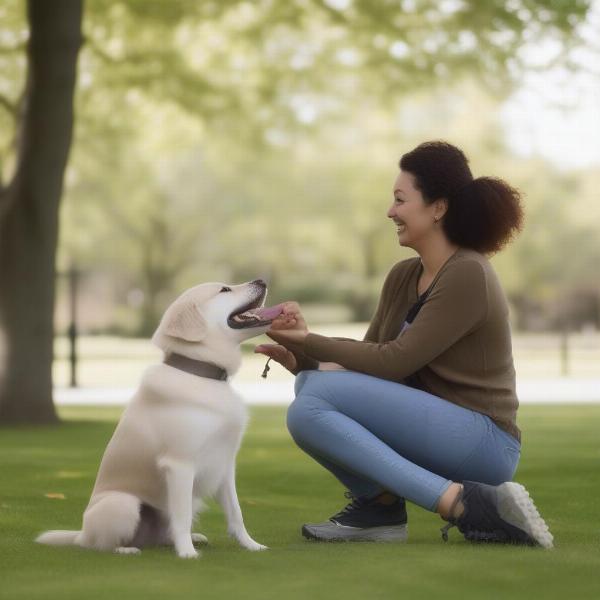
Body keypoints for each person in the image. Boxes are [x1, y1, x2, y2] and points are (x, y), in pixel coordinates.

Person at [254, 141, 553, 548]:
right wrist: (301, 356)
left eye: (400, 199)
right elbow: (368, 363)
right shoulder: (402, 276)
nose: (390, 211)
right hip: (437, 430)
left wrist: (312, 340)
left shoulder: (468, 272)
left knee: (313, 394)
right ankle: (379, 509)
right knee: (307, 396)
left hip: (486, 443)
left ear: (438, 208)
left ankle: (463, 505)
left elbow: (396, 362)